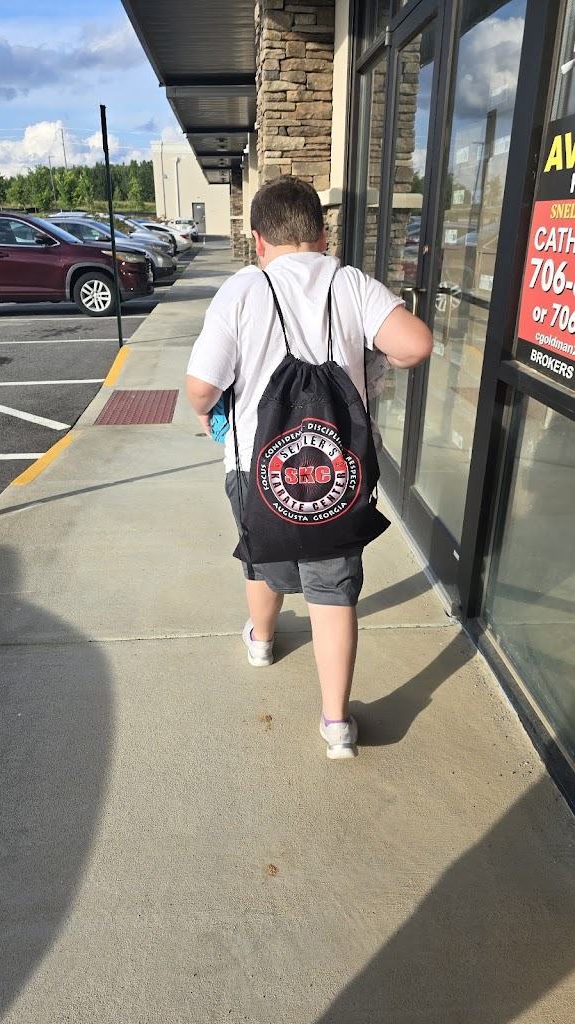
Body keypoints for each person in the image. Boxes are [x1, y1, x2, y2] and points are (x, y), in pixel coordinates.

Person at [186, 176, 432, 759]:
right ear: (322, 235)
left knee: (262, 553)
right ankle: (337, 724)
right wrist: (374, 357)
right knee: (333, 587)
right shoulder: (350, 282)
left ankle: (262, 641)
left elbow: (201, 388)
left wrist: (209, 416)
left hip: (257, 467)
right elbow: (415, 345)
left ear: (257, 240)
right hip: (336, 472)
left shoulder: (242, 289)